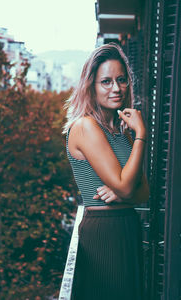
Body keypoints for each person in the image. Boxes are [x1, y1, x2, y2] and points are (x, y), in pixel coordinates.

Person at [63, 43, 149, 300]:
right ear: (91, 87)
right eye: (106, 82)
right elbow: (127, 186)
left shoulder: (121, 132)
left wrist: (124, 193)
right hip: (104, 232)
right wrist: (142, 134)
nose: (116, 88)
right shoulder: (86, 127)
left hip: (127, 227)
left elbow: (144, 191)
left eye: (121, 80)